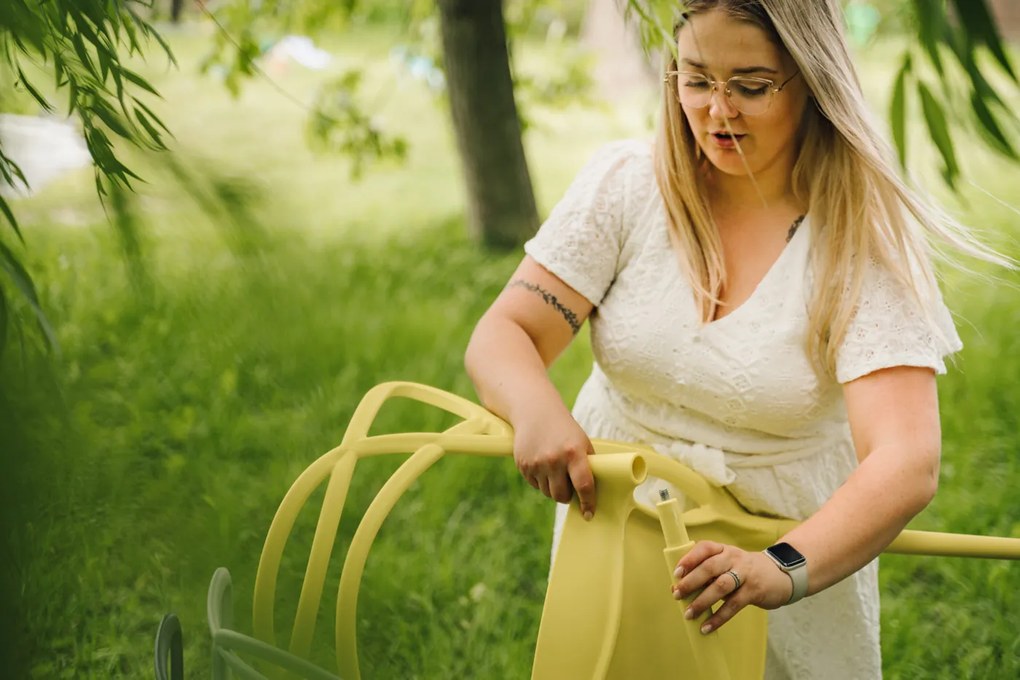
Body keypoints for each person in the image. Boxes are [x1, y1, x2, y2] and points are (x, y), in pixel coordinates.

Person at [464, 1, 1002, 677]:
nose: (718, 111)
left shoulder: (864, 242)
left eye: (750, 86)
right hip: (615, 542)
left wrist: (779, 570)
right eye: (696, 80)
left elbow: (905, 459)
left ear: (812, 81)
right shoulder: (629, 185)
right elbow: (506, 332)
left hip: (782, 561)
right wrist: (536, 410)